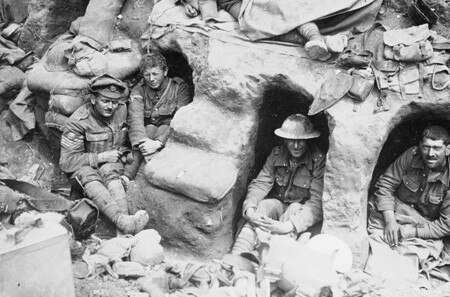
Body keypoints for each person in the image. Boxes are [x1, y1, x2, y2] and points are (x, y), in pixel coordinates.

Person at [366, 125, 450, 283]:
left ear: (448, 149)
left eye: (436, 148)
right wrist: (390, 220)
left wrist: (408, 232)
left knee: (411, 259)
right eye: (426, 147)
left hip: (422, 227)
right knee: (377, 242)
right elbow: (385, 185)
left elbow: (445, 226)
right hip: (393, 212)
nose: (430, 153)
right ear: (420, 146)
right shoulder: (411, 156)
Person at [59, 74, 149, 235]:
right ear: (93, 99)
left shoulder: (122, 109)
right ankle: (123, 222)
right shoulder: (78, 121)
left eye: (114, 102)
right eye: (105, 101)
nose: (111, 106)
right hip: (85, 170)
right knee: (88, 174)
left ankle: (125, 227)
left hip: (113, 165)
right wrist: (100, 157)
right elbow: (66, 162)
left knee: (109, 169)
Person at [231, 114, 326, 254]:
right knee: (265, 205)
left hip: (298, 215)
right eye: (292, 140)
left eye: (301, 141)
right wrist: (250, 210)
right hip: (278, 207)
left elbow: (316, 203)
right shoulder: (277, 154)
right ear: (285, 139)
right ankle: (237, 256)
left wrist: (288, 226)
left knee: (294, 208)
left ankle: (270, 256)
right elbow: (261, 183)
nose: (296, 145)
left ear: (309, 140)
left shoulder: (317, 160)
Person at [182, 0, 347, 61]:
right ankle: (319, 39)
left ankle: (318, 39)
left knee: (285, 5)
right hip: (237, 4)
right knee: (260, 21)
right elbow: (202, 6)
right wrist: (187, 4)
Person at [127, 53, 192, 178]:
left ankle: (138, 175)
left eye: (155, 74)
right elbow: (135, 117)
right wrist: (143, 141)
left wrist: (158, 143)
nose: (151, 79)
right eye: (147, 75)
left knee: (161, 128)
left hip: (168, 134)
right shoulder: (139, 89)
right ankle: (127, 176)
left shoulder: (178, 87)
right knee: (148, 129)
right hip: (146, 135)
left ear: (165, 71)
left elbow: (181, 120)